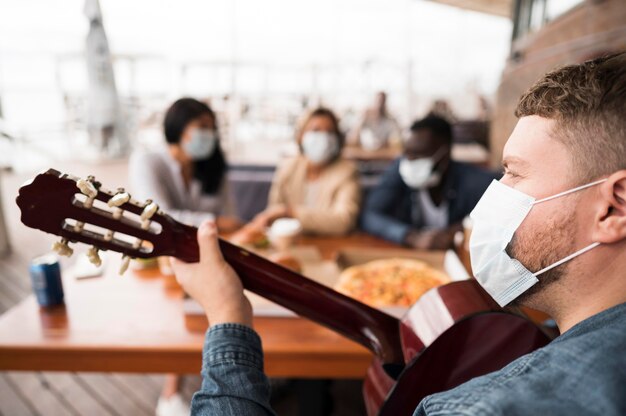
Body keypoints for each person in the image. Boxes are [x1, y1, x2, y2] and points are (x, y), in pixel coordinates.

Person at [174, 53, 626, 415]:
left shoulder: (488, 406)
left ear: (612, 206)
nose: (493, 196)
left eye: (512, 174)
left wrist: (228, 319)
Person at [129, 97, 238, 416]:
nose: (209, 135)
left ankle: (190, 383)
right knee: (182, 305)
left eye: (213, 129)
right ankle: (172, 387)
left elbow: (229, 214)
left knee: (211, 300)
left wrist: (213, 223)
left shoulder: (213, 166)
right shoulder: (148, 161)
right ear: (178, 128)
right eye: (202, 127)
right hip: (161, 257)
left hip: (208, 251)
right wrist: (213, 221)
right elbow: (157, 217)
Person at [360, 115, 498, 249]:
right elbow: (370, 215)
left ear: (444, 155)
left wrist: (456, 231)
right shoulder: (399, 171)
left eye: (419, 154)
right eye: (407, 153)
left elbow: (498, 216)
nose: (410, 161)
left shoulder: (473, 182)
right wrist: (411, 237)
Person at [248, 107, 360, 236]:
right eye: (315, 130)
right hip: (290, 244)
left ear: (337, 139)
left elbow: (343, 221)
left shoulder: (347, 172)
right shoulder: (288, 168)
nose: (323, 137)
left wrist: (290, 212)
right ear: (301, 136)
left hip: (330, 243)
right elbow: (273, 213)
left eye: (330, 132)